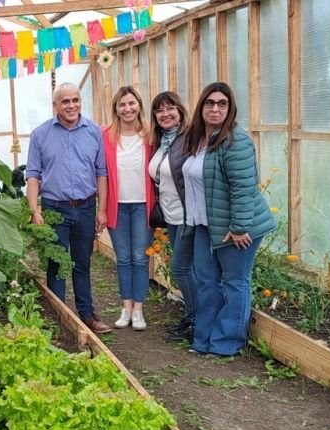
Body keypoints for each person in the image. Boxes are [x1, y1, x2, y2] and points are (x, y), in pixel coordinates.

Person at [182, 82, 276, 357]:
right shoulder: (198, 139)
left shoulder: (236, 141)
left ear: (230, 108)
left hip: (235, 228)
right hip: (204, 225)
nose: (215, 108)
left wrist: (239, 227)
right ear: (201, 107)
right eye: (209, 103)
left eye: (222, 104)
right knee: (207, 281)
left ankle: (226, 344)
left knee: (235, 282)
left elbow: (244, 188)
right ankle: (203, 340)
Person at [26, 83, 112, 334]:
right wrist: (35, 210)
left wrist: (101, 209)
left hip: (86, 207)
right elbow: (33, 175)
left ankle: (87, 315)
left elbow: (101, 173)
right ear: (55, 106)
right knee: (56, 263)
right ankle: (59, 316)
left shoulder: (94, 131)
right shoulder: (40, 134)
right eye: (65, 101)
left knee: (82, 263)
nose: (71, 105)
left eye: (75, 100)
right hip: (55, 208)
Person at [102, 86, 154, 331]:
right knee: (123, 258)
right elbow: (100, 174)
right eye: (122, 104)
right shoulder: (106, 137)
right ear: (116, 109)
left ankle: (139, 310)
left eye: (131, 103)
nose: (127, 108)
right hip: (118, 206)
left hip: (143, 206)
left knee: (140, 258)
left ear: (139, 106)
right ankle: (126, 307)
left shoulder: (150, 137)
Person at [148, 91, 197, 343]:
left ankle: (195, 320)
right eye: (159, 110)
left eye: (170, 109)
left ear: (180, 111)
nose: (165, 114)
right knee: (183, 267)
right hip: (171, 215)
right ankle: (192, 317)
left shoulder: (190, 138)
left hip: (187, 215)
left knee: (181, 266)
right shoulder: (162, 141)